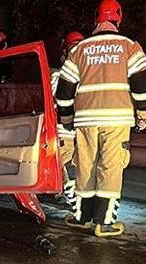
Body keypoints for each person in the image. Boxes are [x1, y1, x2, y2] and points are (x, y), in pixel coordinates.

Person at [55, 0, 146, 237]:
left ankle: (82, 218)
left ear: (96, 19)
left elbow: (65, 91)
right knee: (111, 166)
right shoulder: (129, 46)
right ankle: (104, 222)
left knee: (85, 166)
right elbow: (142, 85)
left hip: (86, 119)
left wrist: (67, 119)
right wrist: (144, 115)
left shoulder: (80, 49)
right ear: (118, 19)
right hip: (116, 118)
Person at [51, 31, 85, 209]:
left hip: (81, 125)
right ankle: (73, 201)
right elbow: (58, 97)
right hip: (64, 125)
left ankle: (72, 195)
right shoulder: (58, 75)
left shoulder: (87, 74)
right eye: (72, 49)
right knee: (65, 162)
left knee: (80, 163)